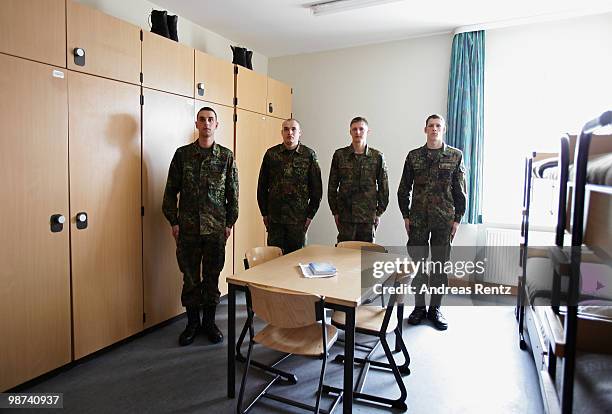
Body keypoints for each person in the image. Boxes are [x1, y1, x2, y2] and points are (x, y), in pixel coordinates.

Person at [162, 106, 239, 346]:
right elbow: (169, 192)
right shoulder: (182, 155)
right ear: (196, 124)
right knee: (190, 278)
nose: (206, 123)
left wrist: (229, 223)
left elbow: (233, 194)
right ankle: (192, 323)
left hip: (216, 230)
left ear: (217, 125)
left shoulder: (226, 156)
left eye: (211, 120)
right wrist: (174, 222)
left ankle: (209, 322)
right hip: (188, 230)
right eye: (202, 120)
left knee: (212, 277)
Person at [397, 114, 466, 330]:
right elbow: (403, 188)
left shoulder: (455, 155)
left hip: (443, 220)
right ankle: (418, 307)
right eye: (431, 126)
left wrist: (457, 219)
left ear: (443, 130)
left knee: (439, 266)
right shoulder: (414, 156)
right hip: (418, 219)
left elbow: (460, 190)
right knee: (418, 265)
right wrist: (405, 216)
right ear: (425, 129)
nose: (434, 129)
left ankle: (435, 308)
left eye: (438, 126)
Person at [257, 118, 322, 254]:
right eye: (286, 129)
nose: (290, 133)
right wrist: (264, 213)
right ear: (282, 133)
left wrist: (310, 216)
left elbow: (316, 190)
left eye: (293, 129)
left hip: (298, 221)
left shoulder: (309, 155)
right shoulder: (271, 154)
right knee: (274, 261)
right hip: (275, 220)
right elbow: (262, 187)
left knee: (297, 261)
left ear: (300, 133)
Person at [328, 116, 389, 243]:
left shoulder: (377, 157)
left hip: (367, 217)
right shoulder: (340, 155)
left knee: (365, 256)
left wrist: (378, 213)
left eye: (361, 129)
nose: (358, 132)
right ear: (350, 132)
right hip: (345, 216)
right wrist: (335, 212)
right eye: (354, 129)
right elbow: (332, 186)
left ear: (368, 132)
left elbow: (384, 188)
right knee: (343, 254)